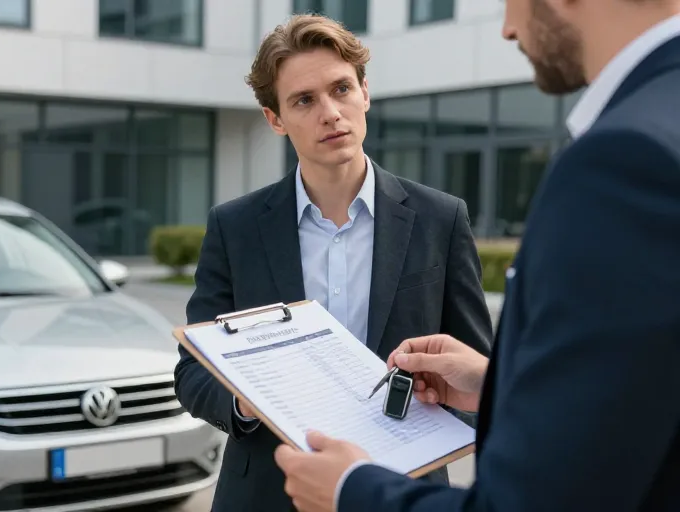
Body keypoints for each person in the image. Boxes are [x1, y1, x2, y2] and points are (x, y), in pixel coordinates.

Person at [274, 0, 680, 510]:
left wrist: (350, 490)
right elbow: (640, 386)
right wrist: (496, 384)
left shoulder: (625, 158)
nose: (507, 28)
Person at [172, 14, 494, 512]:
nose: (330, 113)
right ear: (275, 119)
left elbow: (475, 371)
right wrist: (245, 400)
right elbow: (192, 373)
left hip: (401, 491)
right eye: (304, 100)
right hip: (267, 494)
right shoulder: (235, 227)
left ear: (365, 93)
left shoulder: (441, 218)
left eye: (341, 89)